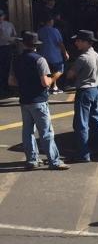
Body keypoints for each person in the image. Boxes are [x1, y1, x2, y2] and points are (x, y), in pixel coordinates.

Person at [11, 31, 68, 170]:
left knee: (27, 131)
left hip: (24, 100)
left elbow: (11, 81)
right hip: (39, 100)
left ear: (23, 43)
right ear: (36, 45)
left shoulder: (16, 59)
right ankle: (54, 161)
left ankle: (32, 159)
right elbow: (45, 82)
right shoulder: (40, 60)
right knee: (46, 132)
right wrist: (55, 77)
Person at [65, 30, 98, 162]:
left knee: (81, 124)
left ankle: (83, 153)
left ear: (86, 42)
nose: (76, 43)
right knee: (97, 121)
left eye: (79, 41)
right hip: (94, 90)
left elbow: (70, 75)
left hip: (84, 91)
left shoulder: (82, 58)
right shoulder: (96, 55)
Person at [37, 16, 68, 93]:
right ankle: (50, 83)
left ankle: (54, 87)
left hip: (43, 55)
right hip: (55, 55)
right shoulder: (55, 30)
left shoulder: (40, 31)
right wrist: (65, 53)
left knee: (48, 71)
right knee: (60, 70)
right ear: (50, 21)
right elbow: (60, 43)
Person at [0, 10, 16, 95]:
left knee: (7, 67)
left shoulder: (9, 25)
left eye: (1, 16)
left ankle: (6, 86)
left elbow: (14, 35)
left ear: (4, 16)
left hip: (7, 47)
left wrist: (11, 40)